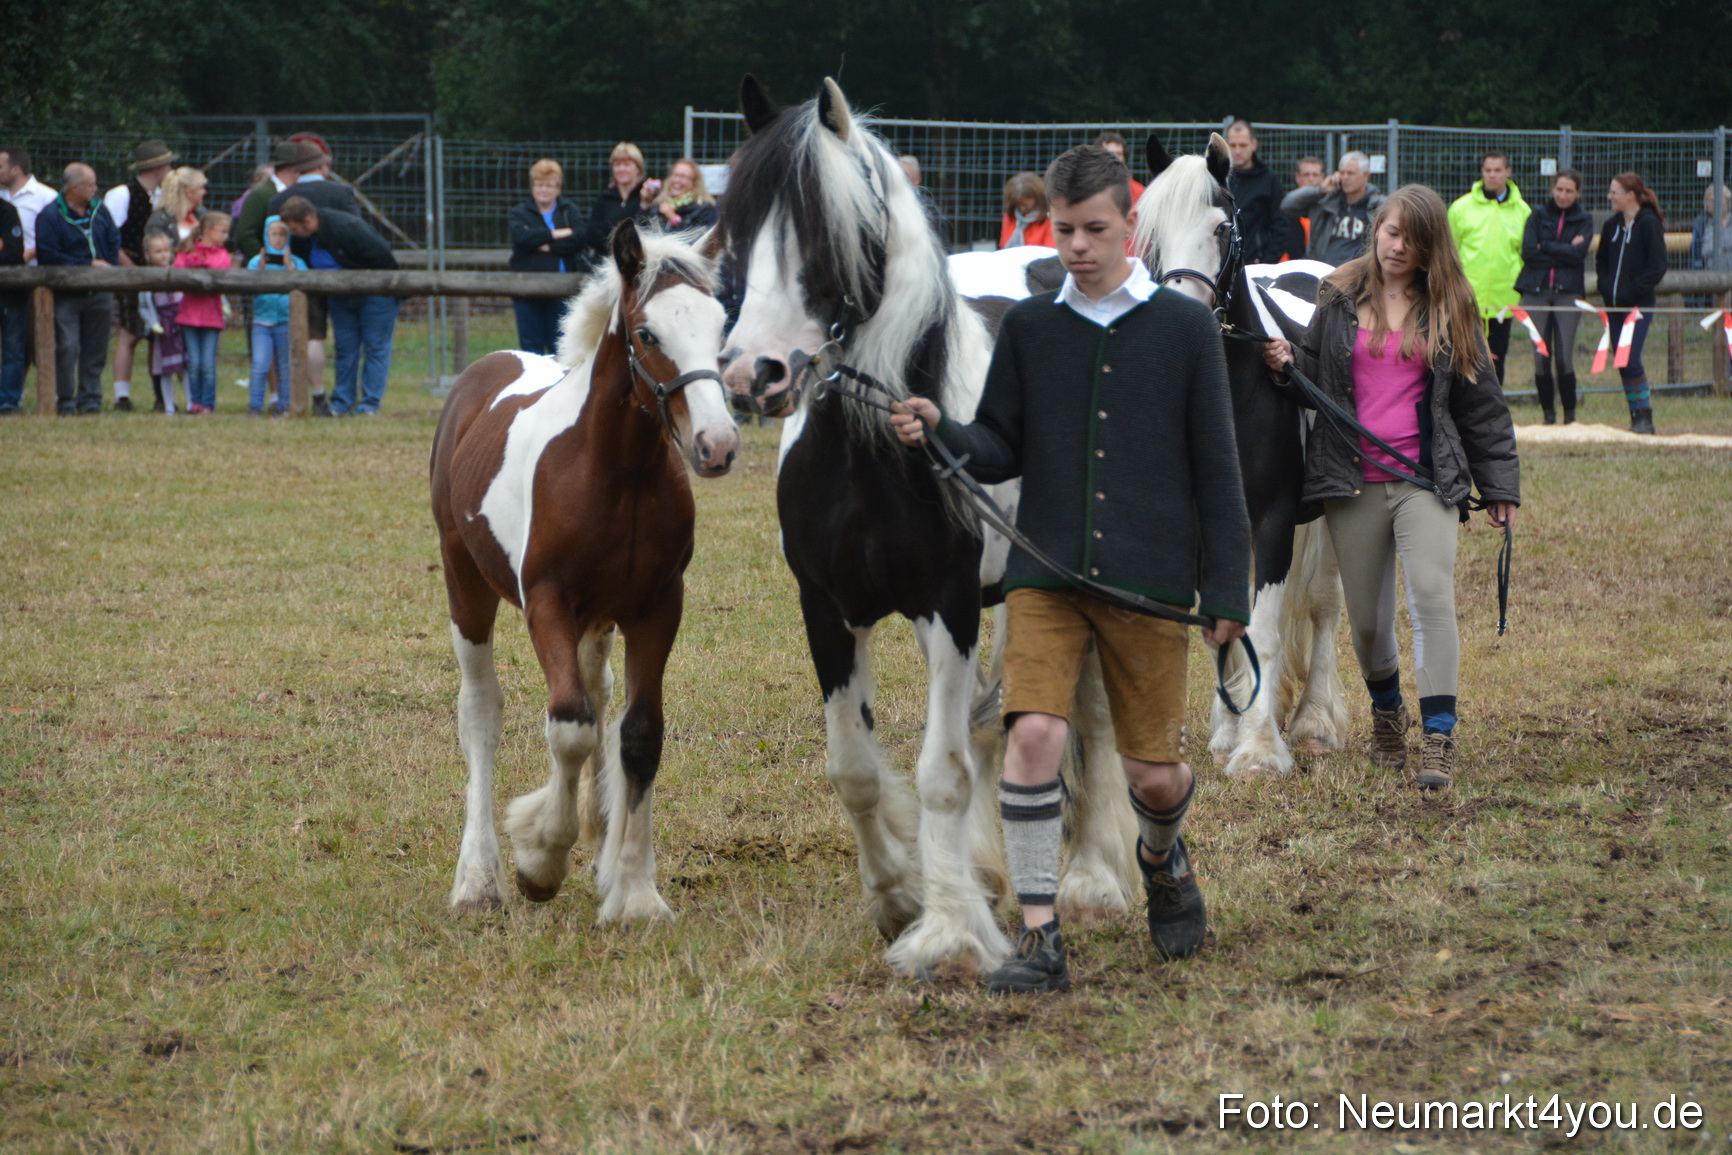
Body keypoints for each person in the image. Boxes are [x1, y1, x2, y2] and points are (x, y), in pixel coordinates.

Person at [891, 145, 1251, 994]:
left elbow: (1220, 473)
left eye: (1096, 229)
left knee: (1152, 776)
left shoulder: (1186, 330)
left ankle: (1162, 860)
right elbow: (1000, 446)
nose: (1078, 246)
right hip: (1045, 576)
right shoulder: (1031, 326)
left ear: (1131, 227)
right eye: (1065, 229)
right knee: (1034, 737)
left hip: (1149, 586)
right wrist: (946, 430)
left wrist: (1227, 592)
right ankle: (1040, 934)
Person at [1262, 185, 1519, 790]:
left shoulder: (1450, 305)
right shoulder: (1339, 297)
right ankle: (1386, 713)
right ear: (1376, 231)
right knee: (1370, 625)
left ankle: (1437, 738)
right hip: (1349, 482)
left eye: (1412, 237)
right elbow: (1319, 379)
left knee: (1432, 599)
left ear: (1431, 246)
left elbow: (1482, 405)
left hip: (1424, 481)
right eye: (1391, 232)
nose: (1398, 246)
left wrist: (1500, 486)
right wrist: (1286, 363)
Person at [279, 197, 399, 416]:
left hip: (376, 296)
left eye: (295, 228)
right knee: (345, 349)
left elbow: (384, 258)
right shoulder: (303, 239)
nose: (293, 233)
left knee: (375, 348)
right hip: (340, 297)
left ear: (308, 219)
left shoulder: (347, 228)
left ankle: (369, 404)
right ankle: (342, 402)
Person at [268, 142, 359, 415]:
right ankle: (345, 398)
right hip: (344, 277)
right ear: (323, 165)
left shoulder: (280, 199)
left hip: (300, 277)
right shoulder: (342, 193)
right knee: (347, 342)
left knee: (312, 338)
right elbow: (355, 231)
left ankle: (317, 395)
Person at [35, 163, 121, 415]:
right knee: (67, 347)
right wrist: (86, 265)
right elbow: (48, 255)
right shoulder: (50, 216)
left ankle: (91, 399)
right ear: (74, 188)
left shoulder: (100, 210)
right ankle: (66, 400)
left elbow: (113, 239)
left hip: (100, 293)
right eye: (91, 184)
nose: (96, 189)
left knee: (96, 348)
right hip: (67, 296)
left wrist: (109, 267)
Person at [102, 139, 178, 412]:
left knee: (158, 334)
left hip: (157, 274)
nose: (170, 169)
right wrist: (129, 269)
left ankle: (161, 394)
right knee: (129, 333)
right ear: (157, 167)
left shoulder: (161, 197)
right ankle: (122, 395)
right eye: (167, 164)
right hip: (131, 271)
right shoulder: (122, 194)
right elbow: (110, 238)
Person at [1514, 169, 1593, 423]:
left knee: (1564, 356)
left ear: (1578, 193)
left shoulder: (1584, 219)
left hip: (1567, 293)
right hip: (1535, 291)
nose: (1563, 195)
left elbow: (1578, 256)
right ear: (1552, 189)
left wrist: (1545, 246)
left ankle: (1570, 416)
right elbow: (1528, 252)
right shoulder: (1536, 215)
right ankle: (1548, 415)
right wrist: (1565, 248)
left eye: (1569, 190)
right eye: (1559, 189)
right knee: (1540, 356)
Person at [1448, 150, 1530, 386]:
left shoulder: (1523, 211)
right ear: (1481, 172)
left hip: (1502, 302)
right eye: (1487, 170)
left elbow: (1525, 256)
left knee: (1497, 357)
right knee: (1462, 356)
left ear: (1508, 172)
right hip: (1467, 299)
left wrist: (1517, 288)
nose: (1492, 175)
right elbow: (1450, 251)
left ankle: (1494, 411)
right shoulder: (1460, 208)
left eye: (1497, 170)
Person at [1595, 172, 1668, 435]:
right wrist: (1606, 286)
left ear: (1630, 195)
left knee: (1632, 358)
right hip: (1614, 307)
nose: (1610, 197)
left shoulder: (1649, 224)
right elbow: (1602, 261)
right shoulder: (1611, 225)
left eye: (1614, 192)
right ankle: (1634, 414)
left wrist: (1632, 290)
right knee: (1622, 360)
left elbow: (1658, 266)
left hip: (1637, 307)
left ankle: (1645, 416)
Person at [507, 158, 587, 355]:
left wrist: (545, 246)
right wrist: (556, 234)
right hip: (527, 289)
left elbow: (579, 238)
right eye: (540, 184)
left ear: (558, 188)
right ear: (533, 186)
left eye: (549, 185)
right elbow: (522, 239)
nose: (544, 190)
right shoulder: (519, 212)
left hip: (562, 290)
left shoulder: (569, 211)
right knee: (530, 349)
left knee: (560, 348)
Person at [172, 212, 233, 414]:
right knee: (194, 362)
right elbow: (178, 268)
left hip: (211, 315)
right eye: (222, 231)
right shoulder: (188, 250)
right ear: (208, 230)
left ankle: (208, 403)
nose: (226, 236)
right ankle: (195, 401)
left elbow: (221, 270)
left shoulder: (222, 254)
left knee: (207, 363)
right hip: (189, 314)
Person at [246, 216, 307, 415]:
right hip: (262, 322)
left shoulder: (297, 262)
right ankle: (255, 406)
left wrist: (290, 268)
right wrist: (260, 269)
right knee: (260, 363)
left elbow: (305, 283)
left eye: (283, 234)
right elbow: (247, 285)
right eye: (274, 234)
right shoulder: (256, 262)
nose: (278, 239)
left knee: (284, 365)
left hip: (285, 321)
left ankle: (284, 405)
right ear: (266, 235)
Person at [1281, 152, 1385, 265]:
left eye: (1350, 173)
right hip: (1324, 272)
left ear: (1366, 175)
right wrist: (1320, 190)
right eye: (1342, 172)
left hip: (1358, 275)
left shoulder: (1378, 206)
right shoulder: (1327, 203)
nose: (1345, 177)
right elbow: (1287, 205)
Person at [236, 140, 315, 261]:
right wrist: (266, 261)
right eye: (302, 169)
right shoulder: (260, 195)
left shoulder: (295, 191)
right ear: (291, 168)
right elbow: (245, 235)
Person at [1224, 120, 1289, 263]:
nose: (1237, 151)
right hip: (1220, 266)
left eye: (1243, 145)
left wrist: (1267, 262)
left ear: (1254, 145)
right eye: (1233, 145)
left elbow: (1280, 224)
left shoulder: (1268, 179)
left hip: (1256, 264)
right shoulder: (1218, 178)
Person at [138, 232, 187, 414]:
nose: (164, 254)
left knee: (184, 368)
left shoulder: (179, 273)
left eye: (166, 250)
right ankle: (168, 406)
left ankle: (191, 403)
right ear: (148, 255)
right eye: (158, 251)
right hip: (162, 327)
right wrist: (152, 323)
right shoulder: (147, 279)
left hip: (179, 324)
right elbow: (143, 306)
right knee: (164, 369)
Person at [585, 143, 654, 271]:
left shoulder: (649, 198)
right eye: (617, 164)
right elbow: (592, 235)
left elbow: (647, 231)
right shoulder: (604, 199)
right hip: (605, 266)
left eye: (627, 164)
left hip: (637, 267)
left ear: (638, 168)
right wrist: (619, 247)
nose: (621, 169)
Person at [0, 147, 57, 265]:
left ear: (15, 169)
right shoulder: (1, 197)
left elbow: (57, 235)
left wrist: (30, 253)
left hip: (36, 271)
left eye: (0, 167)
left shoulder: (47, 196)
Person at [1689, 185, 1732, 308]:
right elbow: (1697, 253)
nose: (1713, 204)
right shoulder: (1702, 225)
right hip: (1711, 280)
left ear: (1728, 202)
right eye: (1710, 201)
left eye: (1718, 200)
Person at [0, 195, 24, 413]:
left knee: (13, 347)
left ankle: (8, 401)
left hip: (9, 292)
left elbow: (14, 253)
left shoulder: (7, 211)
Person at [146, 167, 209, 248]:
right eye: (201, 188)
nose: (204, 192)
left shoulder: (202, 214)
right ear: (188, 191)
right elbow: (157, 252)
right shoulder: (159, 219)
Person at [651, 158, 719, 231]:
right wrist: (644, 203)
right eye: (675, 175)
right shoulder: (659, 205)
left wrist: (673, 219)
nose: (677, 180)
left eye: (683, 177)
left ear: (694, 183)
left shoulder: (705, 210)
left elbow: (697, 239)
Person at [999, 172, 1053, 249]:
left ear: (1037, 198)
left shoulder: (1048, 218)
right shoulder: (1010, 216)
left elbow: (1049, 251)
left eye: (1025, 204)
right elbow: (1003, 245)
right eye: (1017, 204)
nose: (1021, 208)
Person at [1286, 155, 1325, 258]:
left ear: (1322, 177)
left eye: (1315, 175)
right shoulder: (1287, 207)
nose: (1311, 179)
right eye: (1306, 175)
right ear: (1297, 177)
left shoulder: (1329, 208)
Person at [1094, 132, 1145, 202]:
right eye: (1109, 154)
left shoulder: (1138, 191)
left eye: (1119, 154)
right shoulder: (1086, 190)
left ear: (1124, 158)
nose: (1114, 158)